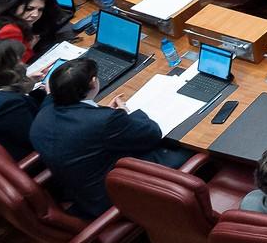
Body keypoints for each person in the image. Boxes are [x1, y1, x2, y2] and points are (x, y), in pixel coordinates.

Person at [31, 58, 190, 218]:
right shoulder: (103, 121)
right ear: (94, 82)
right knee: (185, 150)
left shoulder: (43, 113)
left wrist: (104, 115)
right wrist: (124, 114)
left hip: (82, 193)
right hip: (113, 197)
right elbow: (152, 133)